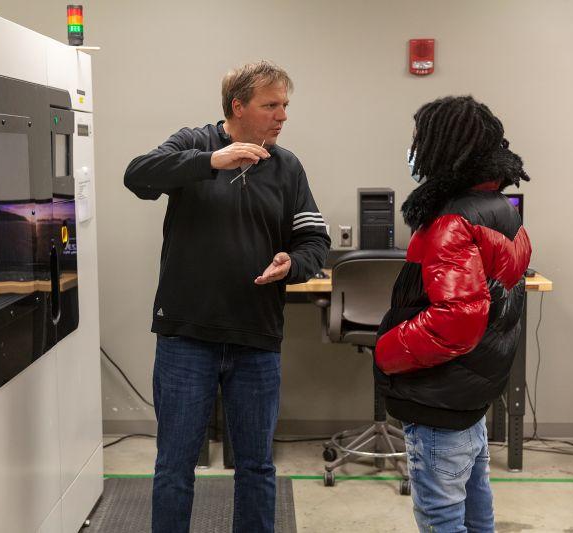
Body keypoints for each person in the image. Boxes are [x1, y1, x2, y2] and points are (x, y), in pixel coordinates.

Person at [123, 60, 330, 533]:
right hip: (185, 336)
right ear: (238, 107)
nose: (282, 116)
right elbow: (137, 175)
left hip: (255, 337)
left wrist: (292, 265)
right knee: (174, 466)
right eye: (270, 105)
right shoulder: (194, 143)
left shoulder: (287, 167)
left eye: (285, 106)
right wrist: (210, 162)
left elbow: (315, 242)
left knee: (256, 467)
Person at [375, 96, 532, 532]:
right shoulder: (500, 211)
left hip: (438, 398)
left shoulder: (451, 222)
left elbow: (456, 324)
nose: (413, 150)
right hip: (468, 393)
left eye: (418, 140)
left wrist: (386, 350)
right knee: (476, 509)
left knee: (441, 516)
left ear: (445, 148)